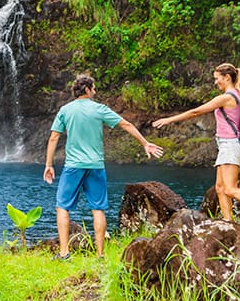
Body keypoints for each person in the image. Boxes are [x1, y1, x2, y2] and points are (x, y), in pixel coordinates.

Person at [43, 74, 164, 260]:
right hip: (96, 166)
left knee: (62, 207)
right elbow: (126, 124)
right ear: (87, 89)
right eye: (94, 88)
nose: (95, 91)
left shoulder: (65, 110)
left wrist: (49, 165)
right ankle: (100, 255)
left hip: (73, 166)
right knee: (97, 209)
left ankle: (64, 253)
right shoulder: (99, 109)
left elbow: (53, 137)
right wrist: (145, 143)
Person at [152, 62, 240, 232]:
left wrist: (169, 120)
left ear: (227, 77)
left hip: (230, 145)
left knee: (230, 188)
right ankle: (229, 223)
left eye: (217, 79)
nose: (215, 82)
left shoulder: (227, 97)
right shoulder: (238, 94)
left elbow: (196, 112)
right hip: (226, 145)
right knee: (220, 188)